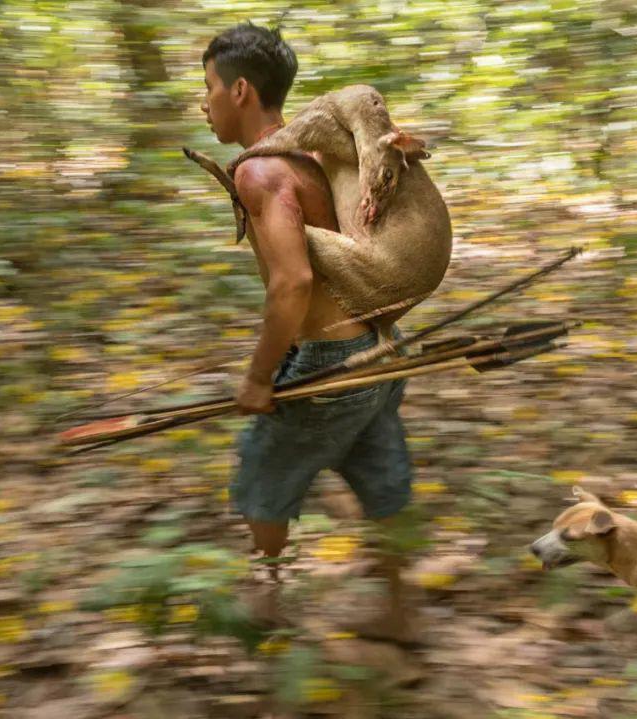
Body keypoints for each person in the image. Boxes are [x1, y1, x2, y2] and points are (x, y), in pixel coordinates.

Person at [200, 22, 418, 642]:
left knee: (261, 478)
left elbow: (291, 283)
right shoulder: (317, 154)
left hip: (332, 361)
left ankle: (264, 604)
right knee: (382, 479)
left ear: (240, 90)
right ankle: (401, 610)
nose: (204, 101)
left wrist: (258, 376)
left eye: (208, 87)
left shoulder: (261, 171)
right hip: (381, 349)